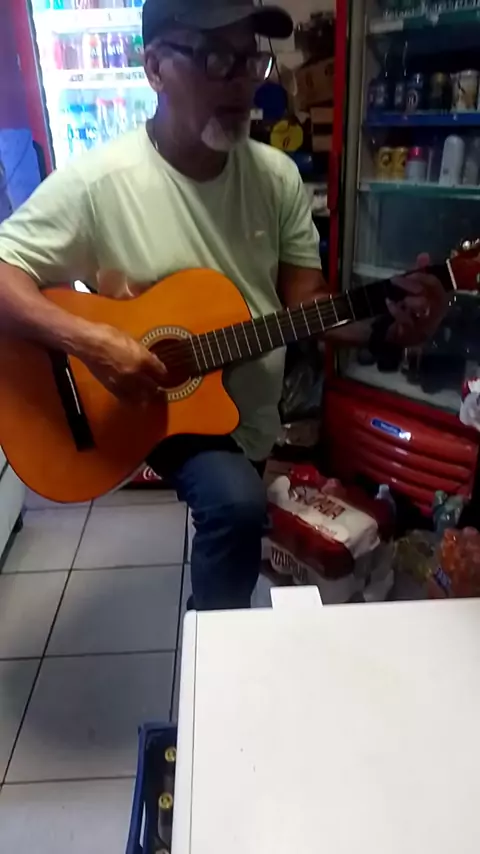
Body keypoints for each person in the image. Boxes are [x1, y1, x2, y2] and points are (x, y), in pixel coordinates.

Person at [0, 0, 447, 610]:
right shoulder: (99, 185)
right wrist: (91, 341)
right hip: (149, 402)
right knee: (236, 506)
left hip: (249, 407)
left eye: (250, 60)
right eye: (215, 58)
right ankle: (211, 641)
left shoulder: (277, 178)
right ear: (155, 68)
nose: (241, 82)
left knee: (241, 513)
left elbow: (308, 303)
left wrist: (388, 328)